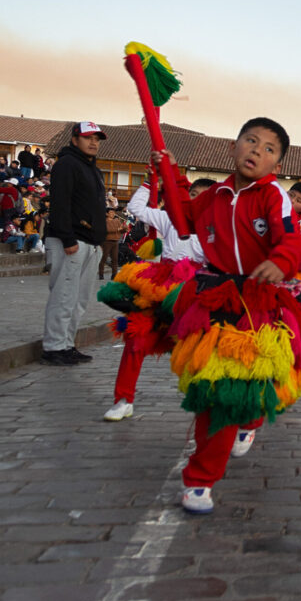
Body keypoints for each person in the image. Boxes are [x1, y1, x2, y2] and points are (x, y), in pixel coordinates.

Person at [159, 118, 301, 514]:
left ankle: (250, 419)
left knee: (251, 383)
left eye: (269, 149)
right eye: (250, 141)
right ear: (234, 146)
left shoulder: (274, 197)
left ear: (278, 165)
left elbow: (291, 240)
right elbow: (182, 222)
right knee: (215, 390)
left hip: (260, 302)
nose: (257, 151)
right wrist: (168, 174)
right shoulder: (214, 194)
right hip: (215, 297)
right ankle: (200, 479)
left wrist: (280, 261)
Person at [98, 176, 213, 421]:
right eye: (193, 195)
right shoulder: (169, 217)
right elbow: (137, 208)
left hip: (195, 292)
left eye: (204, 197)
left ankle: (212, 406)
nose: (197, 201)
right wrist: (151, 183)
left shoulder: (217, 229)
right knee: (136, 338)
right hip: (160, 286)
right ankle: (123, 399)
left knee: (203, 350)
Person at [40, 122, 109, 366]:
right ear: (74, 139)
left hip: (89, 243)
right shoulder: (67, 164)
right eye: (88, 137)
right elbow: (60, 203)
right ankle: (53, 347)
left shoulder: (93, 169)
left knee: (79, 299)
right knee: (63, 296)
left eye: (97, 139)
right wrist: (68, 238)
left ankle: (67, 344)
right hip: (69, 241)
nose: (93, 143)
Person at [99, 208, 127, 280]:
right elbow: (107, 230)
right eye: (111, 212)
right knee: (104, 258)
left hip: (115, 241)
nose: (112, 214)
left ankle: (114, 274)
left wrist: (124, 228)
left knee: (115, 259)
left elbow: (122, 230)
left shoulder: (117, 220)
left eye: (113, 212)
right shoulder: (104, 221)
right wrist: (118, 229)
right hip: (107, 241)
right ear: (107, 214)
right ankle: (101, 274)